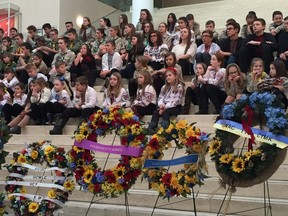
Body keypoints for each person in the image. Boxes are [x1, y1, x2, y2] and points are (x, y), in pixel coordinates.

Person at [147, 67, 185, 133]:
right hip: (164, 106)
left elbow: (176, 101)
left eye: (170, 75)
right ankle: (152, 128)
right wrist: (161, 105)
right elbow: (160, 98)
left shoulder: (179, 87)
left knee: (166, 112)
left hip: (175, 107)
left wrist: (165, 107)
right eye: (166, 76)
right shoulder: (164, 87)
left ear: (175, 76)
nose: (168, 77)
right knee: (156, 112)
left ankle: (165, 128)